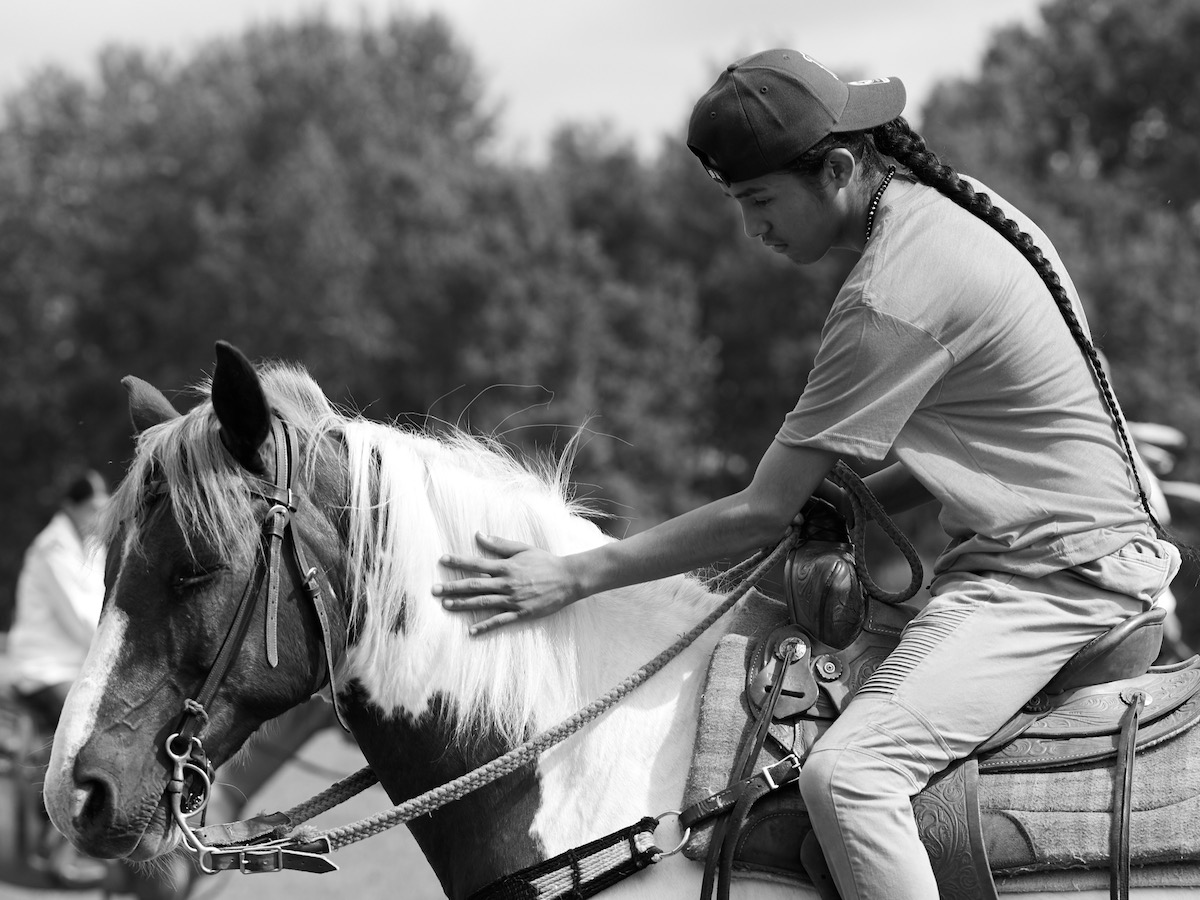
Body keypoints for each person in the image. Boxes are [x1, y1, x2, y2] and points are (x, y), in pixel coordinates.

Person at [432, 49, 1181, 899]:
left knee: (849, 780)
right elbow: (1002, 448)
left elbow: (761, 509)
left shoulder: (890, 295)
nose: (753, 230)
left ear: (835, 168)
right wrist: (861, 502)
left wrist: (574, 576)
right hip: (1069, 552)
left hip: (1054, 581)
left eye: (759, 202)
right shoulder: (961, 213)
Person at [8, 468, 109, 731]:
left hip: (78, 665)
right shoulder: (51, 549)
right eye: (92, 509)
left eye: (101, 509)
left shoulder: (92, 548)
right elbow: (78, 618)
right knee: (91, 726)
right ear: (70, 507)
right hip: (46, 667)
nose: (98, 517)